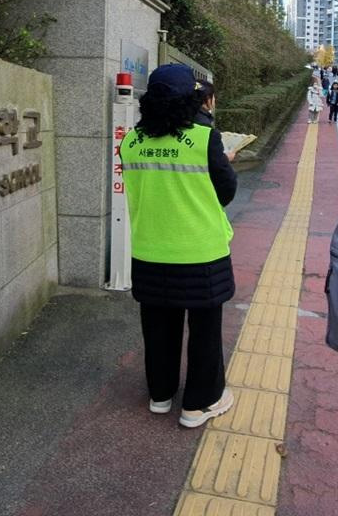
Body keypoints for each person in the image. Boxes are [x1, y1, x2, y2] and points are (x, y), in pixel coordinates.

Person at [119, 64, 237, 428]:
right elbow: (226, 190)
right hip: (201, 252)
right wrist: (225, 162)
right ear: (193, 100)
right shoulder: (204, 139)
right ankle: (199, 404)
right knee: (204, 331)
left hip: (150, 251)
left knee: (157, 328)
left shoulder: (130, 140)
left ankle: (160, 395)